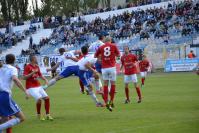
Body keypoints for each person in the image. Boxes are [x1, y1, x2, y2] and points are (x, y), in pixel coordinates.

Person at [0, 54, 29, 133]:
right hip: (4, 95)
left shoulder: (2, 67)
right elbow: (15, 80)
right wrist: (25, 91)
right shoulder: (13, 69)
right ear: (14, 60)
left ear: (5, 60)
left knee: (4, 118)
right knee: (21, 118)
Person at [23, 55, 53, 121]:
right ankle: (39, 114)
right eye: (35, 58)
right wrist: (32, 73)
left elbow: (40, 75)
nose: (37, 59)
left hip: (38, 86)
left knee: (47, 98)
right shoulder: (27, 67)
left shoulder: (37, 66)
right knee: (39, 99)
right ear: (32, 59)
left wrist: (45, 79)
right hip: (30, 87)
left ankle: (48, 115)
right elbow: (24, 77)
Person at [95, 37, 120, 111]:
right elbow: (118, 55)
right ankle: (111, 101)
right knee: (113, 84)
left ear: (104, 41)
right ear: (110, 40)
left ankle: (106, 101)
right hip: (112, 67)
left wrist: (100, 59)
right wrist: (113, 56)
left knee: (105, 84)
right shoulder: (114, 46)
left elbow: (95, 56)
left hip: (104, 68)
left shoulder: (101, 47)